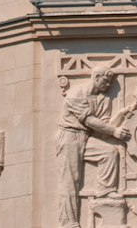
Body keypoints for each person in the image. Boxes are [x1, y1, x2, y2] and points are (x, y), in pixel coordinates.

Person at [55, 68, 129, 228]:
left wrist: (123, 115)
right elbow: (90, 121)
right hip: (69, 136)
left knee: (109, 152)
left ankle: (105, 191)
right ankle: (69, 223)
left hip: (87, 137)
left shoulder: (104, 99)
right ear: (96, 77)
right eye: (106, 81)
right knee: (70, 180)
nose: (108, 85)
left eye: (110, 82)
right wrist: (115, 132)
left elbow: (103, 128)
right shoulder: (76, 93)